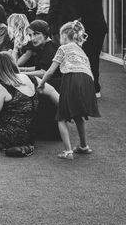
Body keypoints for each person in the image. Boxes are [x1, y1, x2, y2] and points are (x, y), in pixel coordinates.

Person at [0, 53, 59, 155]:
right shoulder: (32, 79)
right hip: (29, 136)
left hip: (8, 132)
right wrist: (64, 108)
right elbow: (51, 91)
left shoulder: (2, 87)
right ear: (13, 64)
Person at [39, 21, 101, 160]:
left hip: (72, 80)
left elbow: (50, 71)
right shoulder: (81, 51)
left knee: (61, 117)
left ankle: (67, 151)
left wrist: (41, 83)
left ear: (64, 36)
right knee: (78, 115)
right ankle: (83, 146)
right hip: (88, 83)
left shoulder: (64, 48)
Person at [74, 0, 108, 98]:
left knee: (90, 58)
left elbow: (86, 11)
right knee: (91, 58)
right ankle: (93, 87)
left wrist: (76, 21)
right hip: (96, 28)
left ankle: (94, 89)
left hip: (92, 30)